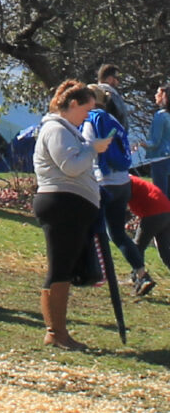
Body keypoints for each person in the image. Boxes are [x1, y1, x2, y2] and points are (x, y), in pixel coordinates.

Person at [32, 80, 111, 350]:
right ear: (73, 104)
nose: (88, 116)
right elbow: (71, 166)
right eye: (86, 110)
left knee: (64, 268)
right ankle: (55, 332)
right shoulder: (56, 129)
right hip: (61, 205)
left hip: (71, 206)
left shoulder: (67, 130)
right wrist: (93, 149)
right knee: (59, 268)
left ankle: (59, 331)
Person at [81, 85, 152, 295]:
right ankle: (141, 274)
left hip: (104, 181)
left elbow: (89, 148)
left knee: (92, 229)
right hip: (123, 182)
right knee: (118, 234)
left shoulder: (92, 119)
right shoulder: (113, 120)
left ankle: (94, 272)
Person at [128, 175, 167, 290]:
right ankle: (136, 276)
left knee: (137, 247)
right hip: (165, 211)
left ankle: (139, 278)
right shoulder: (133, 181)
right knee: (165, 252)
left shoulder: (125, 181)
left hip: (153, 213)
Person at [145, 84, 170, 198]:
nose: (155, 95)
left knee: (161, 195)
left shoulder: (160, 116)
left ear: (164, 96)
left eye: (158, 93)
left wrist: (141, 144)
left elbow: (155, 142)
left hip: (160, 159)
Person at [96, 64, 129, 130]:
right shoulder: (110, 95)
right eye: (117, 78)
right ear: (109, 79)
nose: (118, 82)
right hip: (112, 136)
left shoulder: (92, 93)